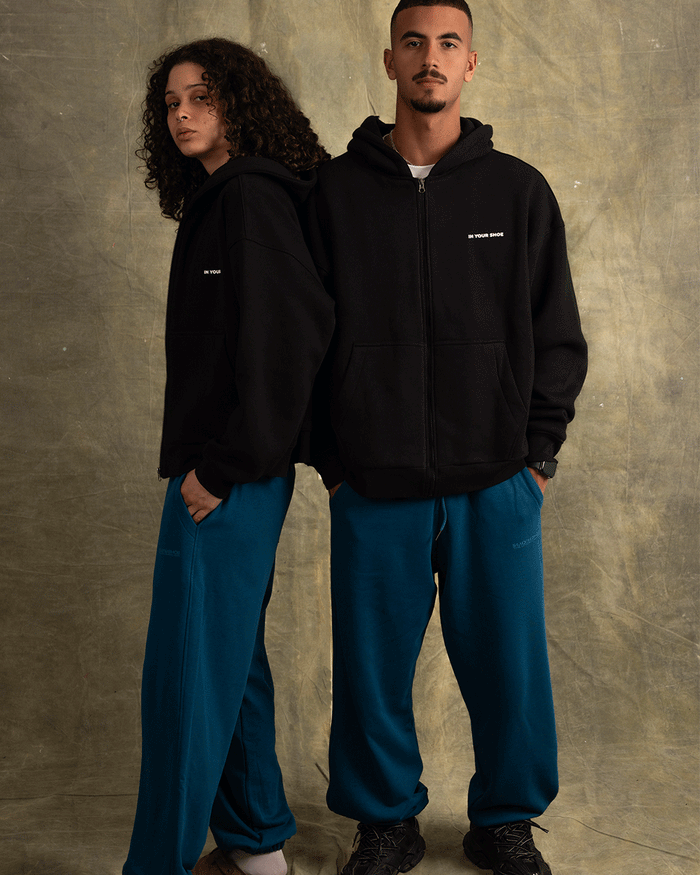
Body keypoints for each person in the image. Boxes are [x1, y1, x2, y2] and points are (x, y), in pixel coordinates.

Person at [308, 2, 587, 873]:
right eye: (415, 43)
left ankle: (504, 819)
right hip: (373, 481)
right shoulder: (334, 194)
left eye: (449, 44)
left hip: (496, 479)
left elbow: (557, 333)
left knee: (509, 667)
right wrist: (334, 460)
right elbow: (301, 336)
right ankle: (384, 821)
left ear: (472, 63)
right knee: (370, 668)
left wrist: (537, 457)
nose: (431, 57)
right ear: (390, 60)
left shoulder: (518, 190)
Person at [123, 38, 334, 875]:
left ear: (239, 103)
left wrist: (222, 466)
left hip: (228, 474)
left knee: (186, 677)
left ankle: (158, 865)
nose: (182, 114)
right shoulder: (224, 199)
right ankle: (256, 846)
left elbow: (292, 340)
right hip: (225, 468)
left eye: (201, 97)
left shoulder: (249, 197)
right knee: (229, 660)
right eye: (171, 103)